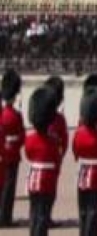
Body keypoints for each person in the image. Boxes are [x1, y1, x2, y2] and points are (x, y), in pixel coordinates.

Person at [73, 85, 97, 236]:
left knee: (83, 210)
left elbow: (75, 151)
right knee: (93, 211)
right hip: (96, 175)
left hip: (82, 173)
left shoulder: (79, 133)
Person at [24, 85, 59, 236]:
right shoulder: (53, 141)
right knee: (43, 215)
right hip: (47, 180)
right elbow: (56, 159)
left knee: (34, 213)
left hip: (33, 179)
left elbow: (28, 154)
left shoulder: (30, 139)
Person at [0, 68, 24, 227]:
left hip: (2, 151)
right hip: (12, 153)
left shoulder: (2, 113)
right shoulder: (15, 115)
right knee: (9, 188)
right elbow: (21, 136)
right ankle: (5, 218)